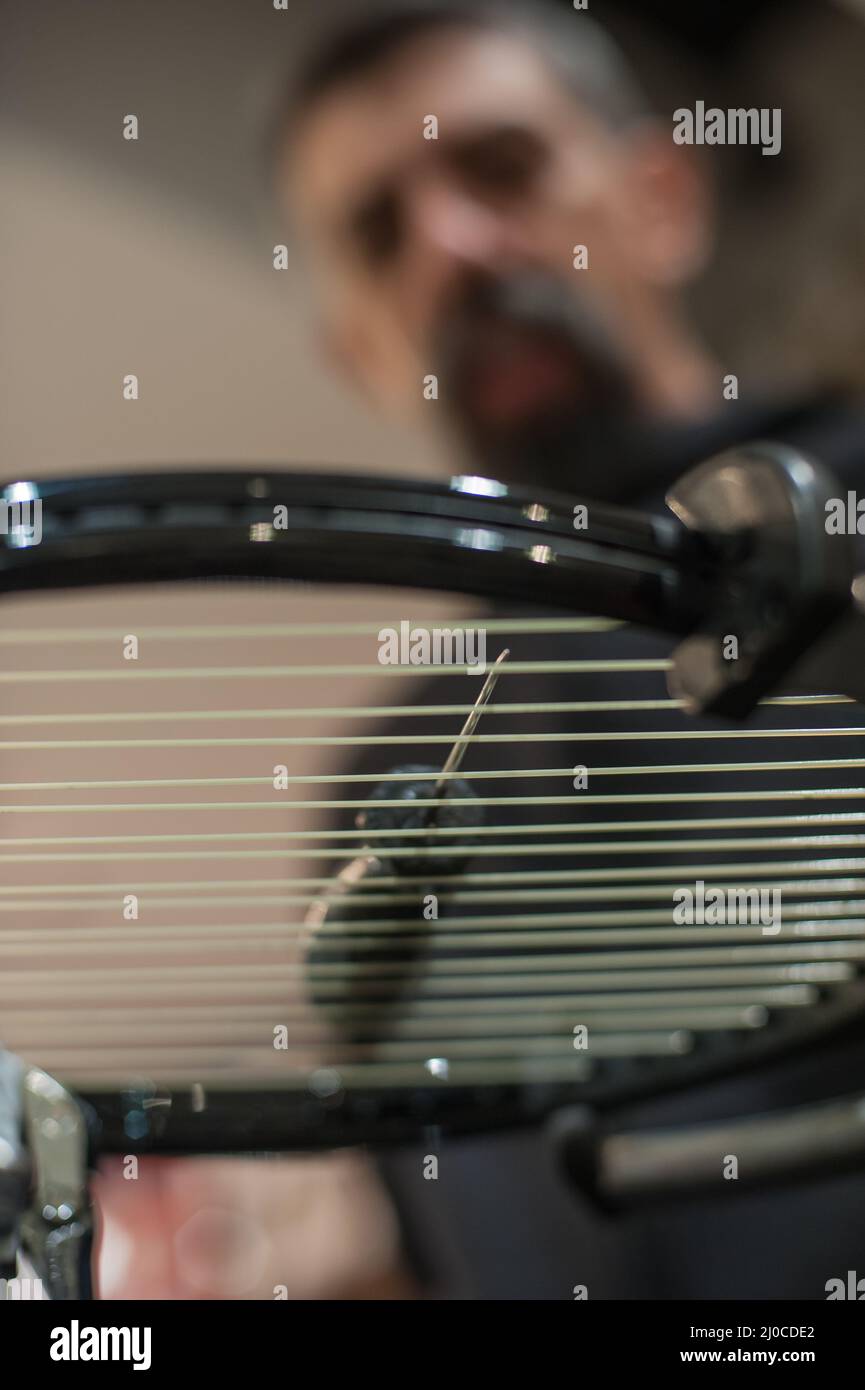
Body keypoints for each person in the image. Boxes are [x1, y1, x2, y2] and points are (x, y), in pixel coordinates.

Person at [276, 0, 865, 1298]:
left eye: (500, 166)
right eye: (379, 230)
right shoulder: (377, 789)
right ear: (362, 350)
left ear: (660, 197)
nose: (452, 244)